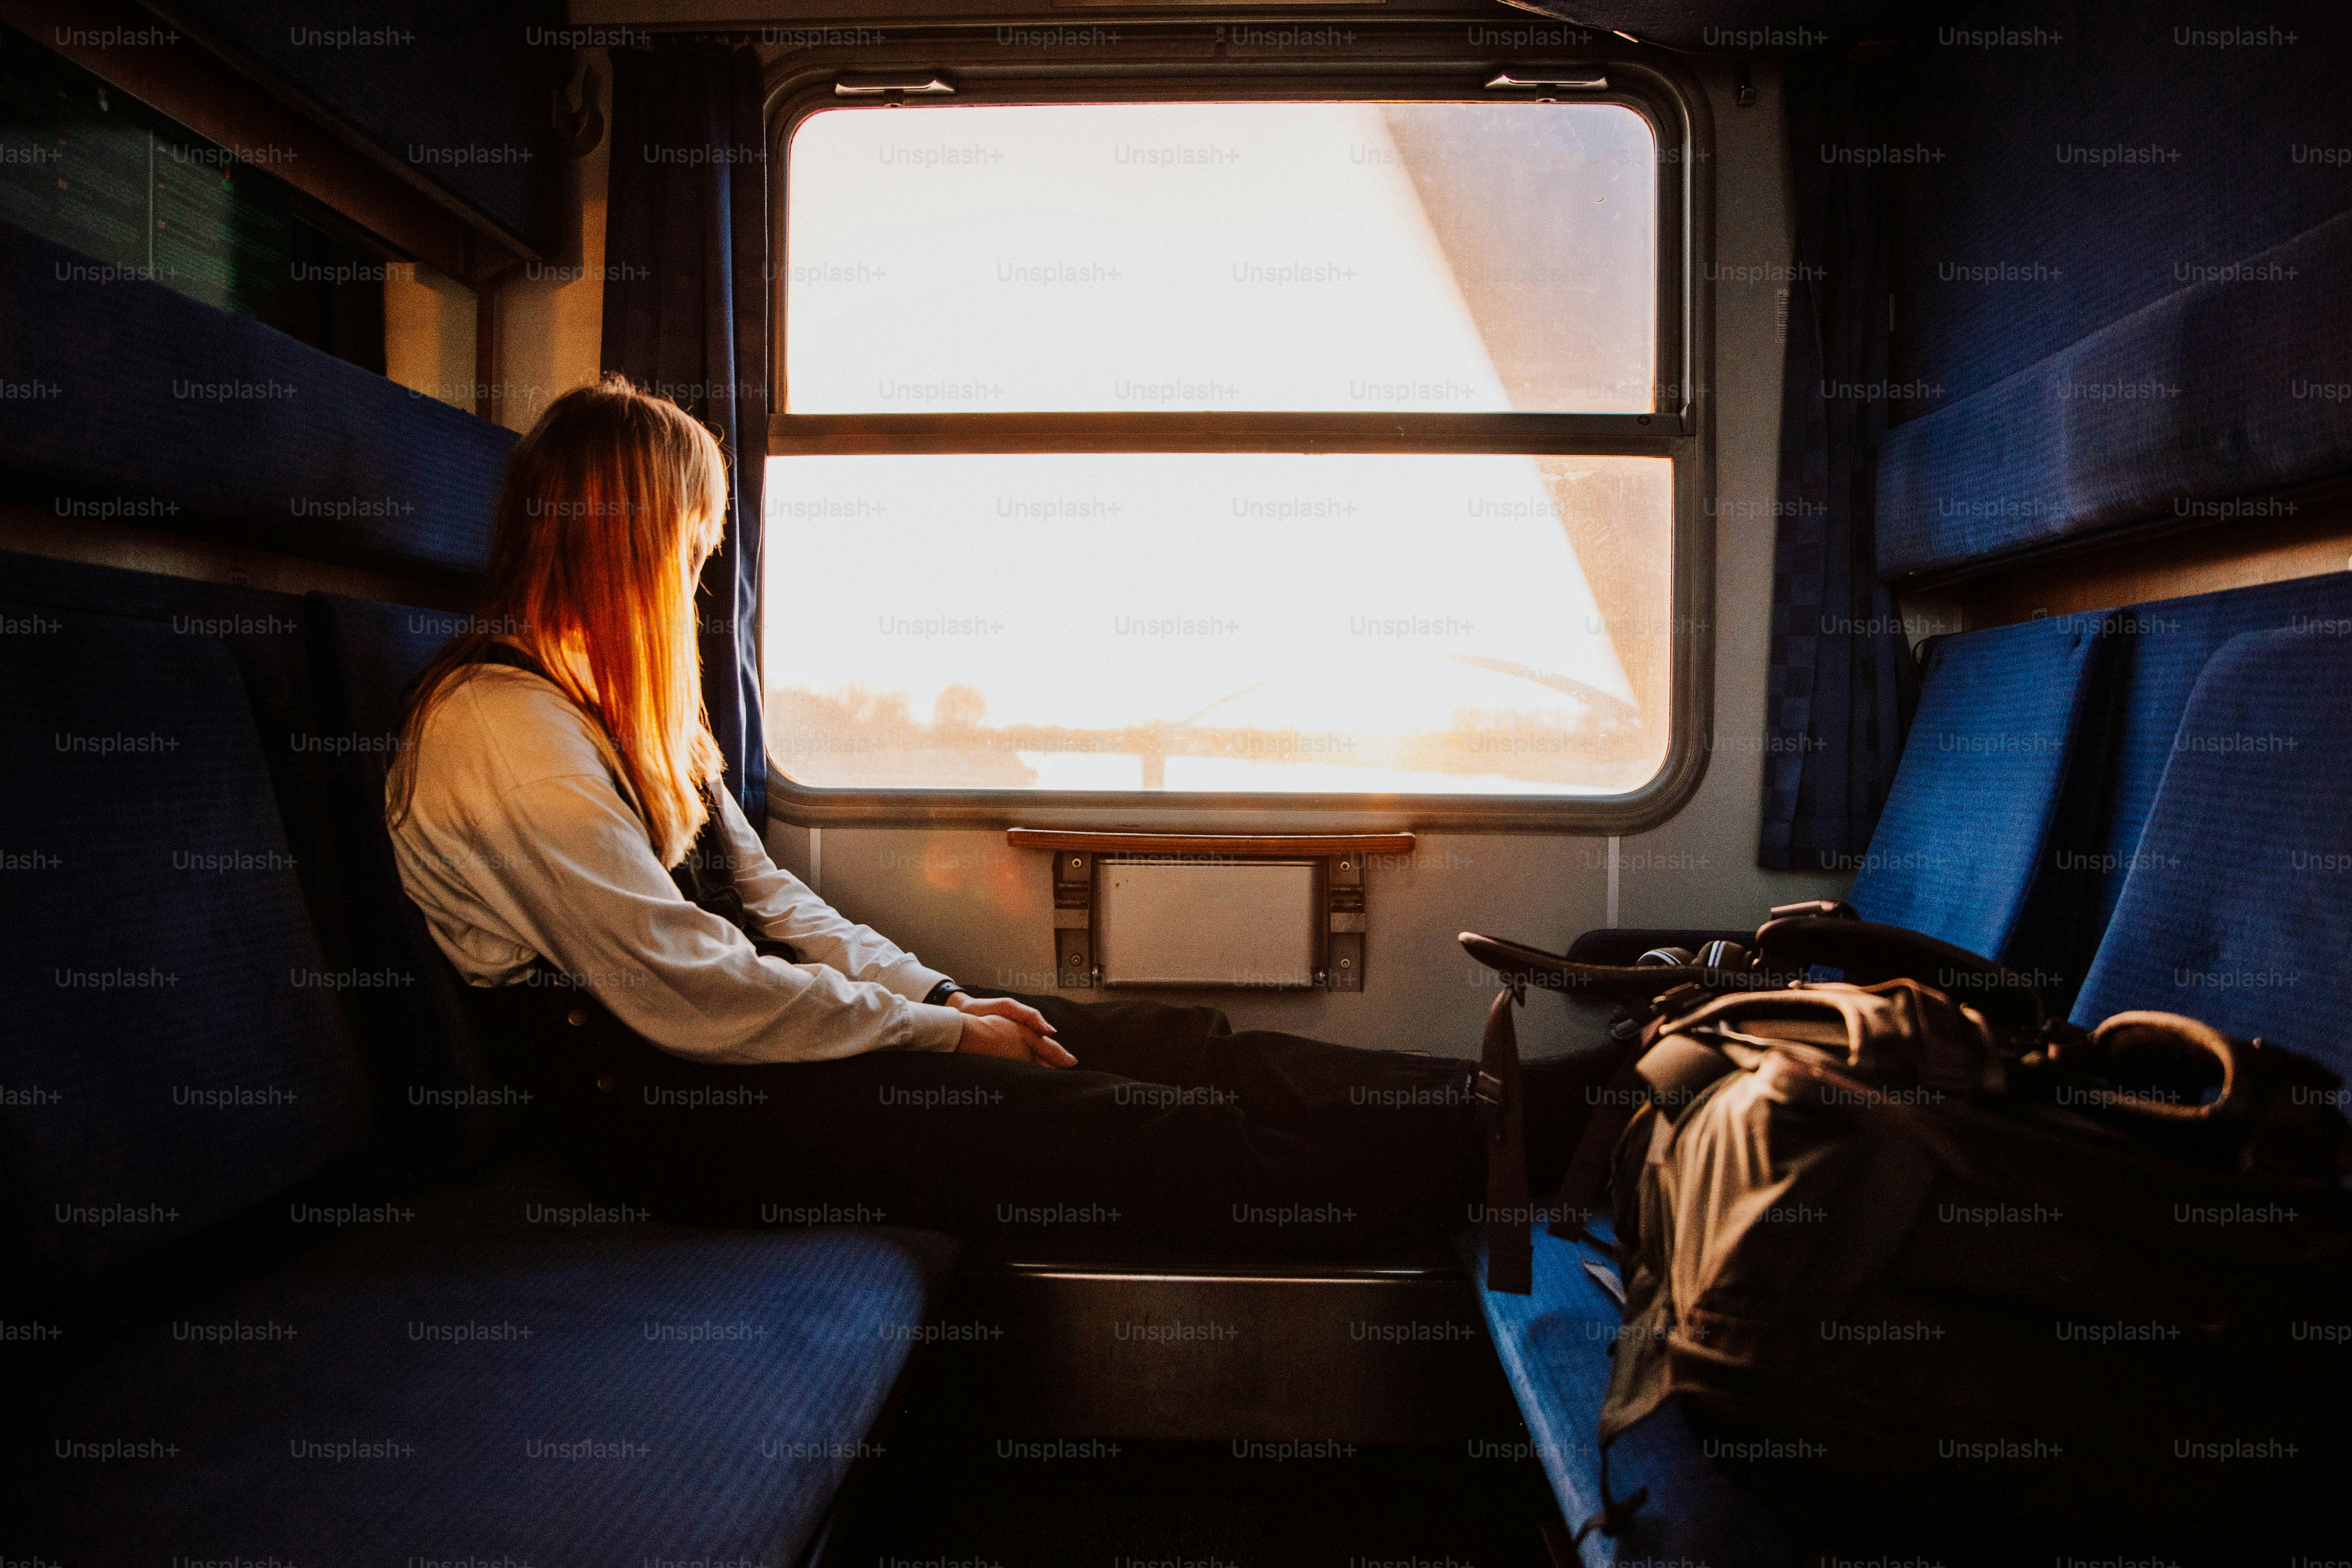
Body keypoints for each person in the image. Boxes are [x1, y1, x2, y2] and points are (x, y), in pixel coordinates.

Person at [387, 376, 1593, 1257]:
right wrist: (939, 1044)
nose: (701, 571)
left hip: (750, 1061)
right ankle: (1504, 1171)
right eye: (692, 545)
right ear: (635, 548)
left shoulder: (626, 714)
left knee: (1173, 1042)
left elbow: (769, 902)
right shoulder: (499, 730)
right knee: (1141, 1127)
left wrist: (940, 1000)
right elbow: (684, 986)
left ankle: (1519, 1109)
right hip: (668, 1117)